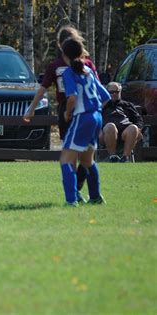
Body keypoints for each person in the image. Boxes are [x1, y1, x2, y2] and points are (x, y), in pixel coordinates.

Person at [23, 25, 99, 202]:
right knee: (84, 155)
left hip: (72, 109)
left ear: (60, 45)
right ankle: (87, 194)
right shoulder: (84, 65)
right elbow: (99, 91)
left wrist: (31, 108)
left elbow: (44, 90)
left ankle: (74, 195)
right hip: (89, 110)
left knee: (71, 155)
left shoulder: (66, 66)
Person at [60, 37, 111, 206]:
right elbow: (106, 97)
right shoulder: (88, 70)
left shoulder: (68, 72)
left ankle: (71, 201)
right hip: (96, 116)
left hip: (83, 117)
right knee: (87, 160)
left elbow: (73, 98)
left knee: (66, 160)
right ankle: (95, 197)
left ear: (65, 55)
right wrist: (94, 112)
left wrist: (68, 113)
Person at [100, 81, 144, 162]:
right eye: (111, 92)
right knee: (110, 126)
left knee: (134, 128)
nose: (114, 94)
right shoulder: (101, 105)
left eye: (116, 92)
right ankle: (113, 157)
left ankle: (125, 158)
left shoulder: (127, 105)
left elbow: (138, 120)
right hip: (106, 132)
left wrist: (138, 129)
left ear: (120, 92)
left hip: (125, 131)